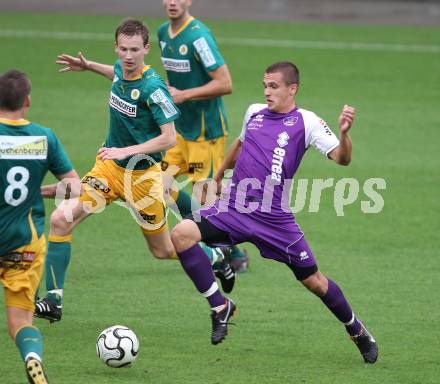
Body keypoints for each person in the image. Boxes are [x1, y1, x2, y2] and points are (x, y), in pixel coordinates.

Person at [170, 61, 379, 364]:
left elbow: (342, 159)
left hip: (275, 220)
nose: (267, 92)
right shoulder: (253, 112)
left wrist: (345, 134)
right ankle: (219, 306)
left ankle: (356, 330)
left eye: (274, 86)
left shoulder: (306, 122)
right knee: (181, 235)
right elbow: (239, 145)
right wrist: (216, 179)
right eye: (265, 85)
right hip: (234, 208)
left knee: (315, 282)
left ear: (292, 89)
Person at [35, 18, 234, 323]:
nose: (128, 56)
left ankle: (215, 256)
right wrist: (88, 66)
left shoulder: (154, 88)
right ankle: (53, 301)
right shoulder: (120, 69)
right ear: (116, 47)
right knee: (61, 218)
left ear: (146, 50)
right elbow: (116, 74)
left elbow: (169, 138)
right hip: (108, 171)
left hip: (142, 179)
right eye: (123, 49)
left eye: (134, 50)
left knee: (164, 250)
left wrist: (125, 150)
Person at [0, 69, 80, 383]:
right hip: (24, 244)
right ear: (28, 101)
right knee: (20, 321)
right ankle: (32, 356)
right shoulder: (44, 138)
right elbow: (75, 188)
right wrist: (40, 191)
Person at [158, 0, 249, 273]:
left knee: (207, 203)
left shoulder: (198, 36)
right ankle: (219, 248)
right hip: (178, 132)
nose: (173, 2)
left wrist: (183, 95)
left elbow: (225, 83)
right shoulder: (163, 33)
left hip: (206, 133)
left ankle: (233, 254)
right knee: (157, 185)